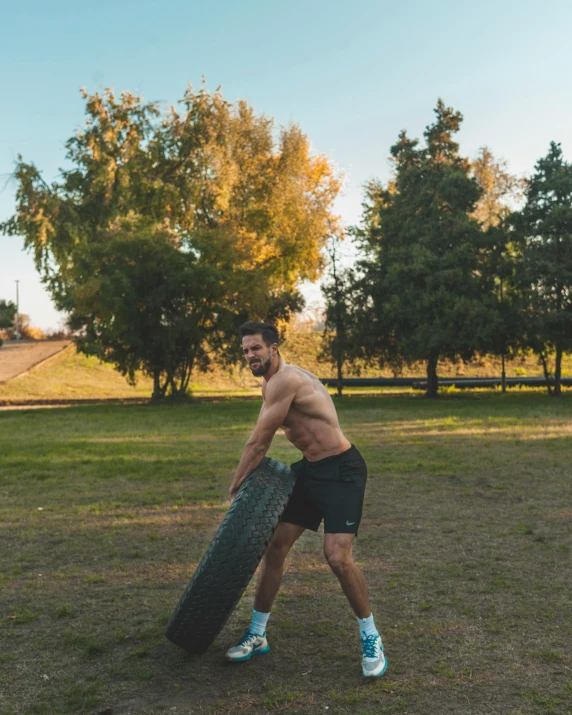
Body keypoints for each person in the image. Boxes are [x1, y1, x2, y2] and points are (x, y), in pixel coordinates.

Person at [225, 321, 386, 679]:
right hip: (311, 472)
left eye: (256, 348)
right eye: (246, 350)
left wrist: (236, 487)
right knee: (275, 546)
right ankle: (257, 633)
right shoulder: (271, 384)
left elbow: (258, 443)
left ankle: (371, 636)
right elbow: (261, 434)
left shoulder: (287, 380)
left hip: (342, 472)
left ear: (274, 348)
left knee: (337, 557)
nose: (250, 355)